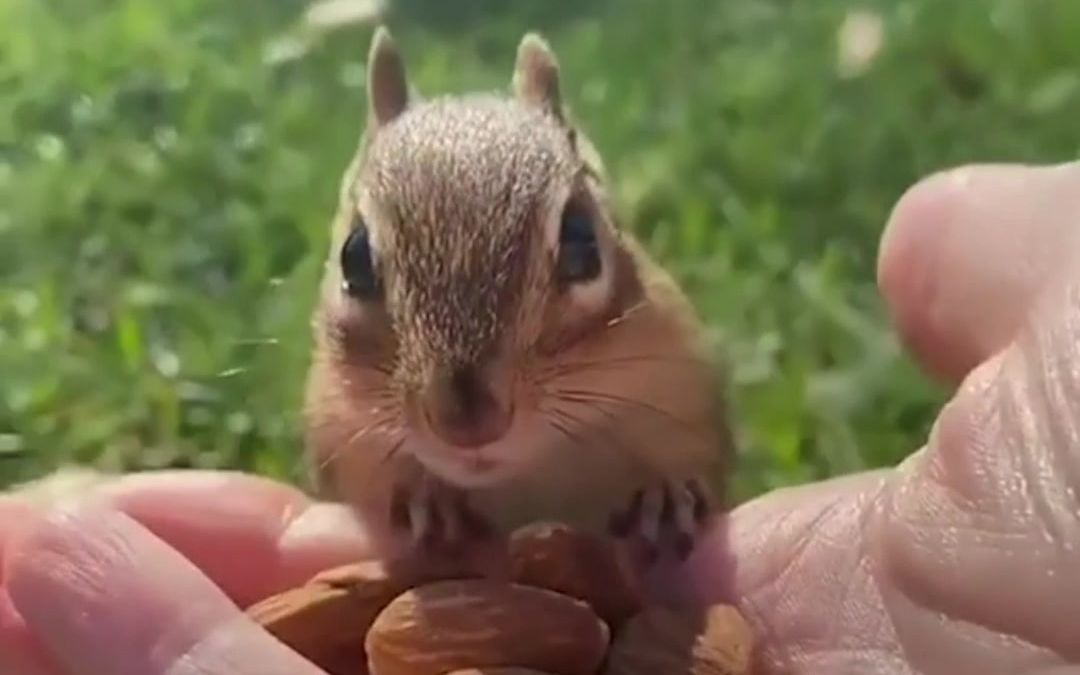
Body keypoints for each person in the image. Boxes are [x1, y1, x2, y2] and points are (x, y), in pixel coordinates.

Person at [3, 160, 1080, 674]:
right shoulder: (357, 363)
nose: (470, 403)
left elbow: (686, 425)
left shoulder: (646, 328)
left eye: (569, 257)